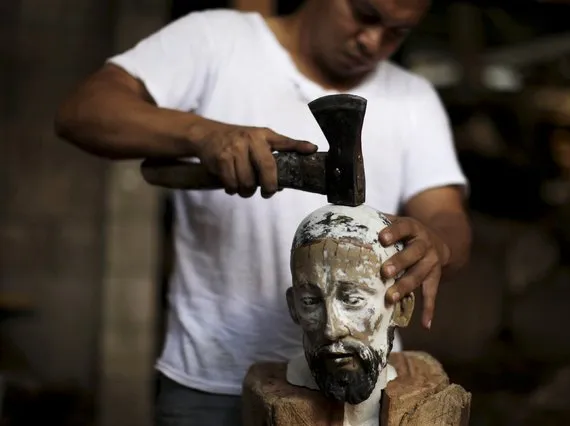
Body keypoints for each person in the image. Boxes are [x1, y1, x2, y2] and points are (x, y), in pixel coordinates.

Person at [54, 0, 471, 424]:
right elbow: (83, 112)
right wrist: (202, 134)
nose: (372, 41)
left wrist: (437, 243)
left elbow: (447, 218)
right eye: (364, 15)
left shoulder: (414, 98)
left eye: (396, 32)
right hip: (211, 388)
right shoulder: (216, 40)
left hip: (361, 385)